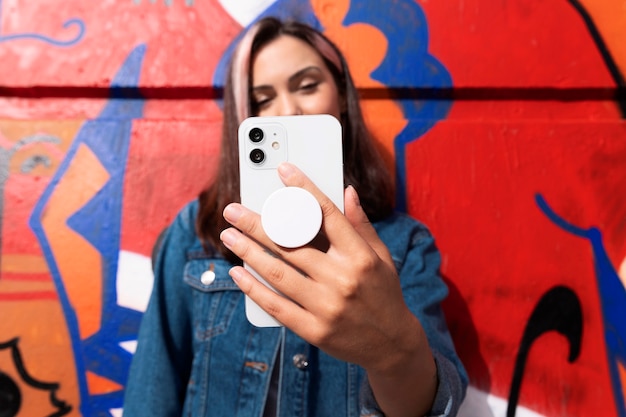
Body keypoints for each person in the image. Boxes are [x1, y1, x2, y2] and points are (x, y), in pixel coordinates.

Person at [123, 16, 467, 417]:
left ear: (340, 97)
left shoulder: (401, 247)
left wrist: (395, 352)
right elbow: (151, 396)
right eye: (263, 99)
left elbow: (432, 404)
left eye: (307, 86)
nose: (288, 111)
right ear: (242, 117)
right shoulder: (198, 232)